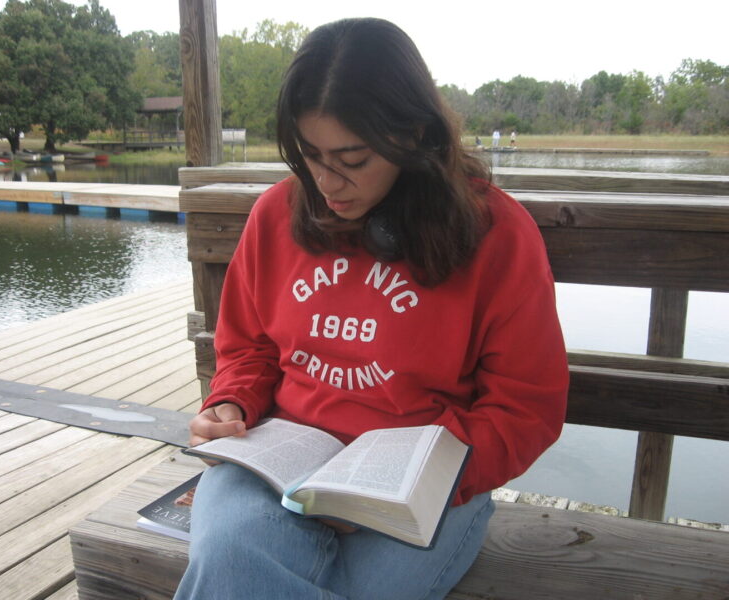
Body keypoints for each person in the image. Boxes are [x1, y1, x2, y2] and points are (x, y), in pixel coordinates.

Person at [174, 17, 568, 600]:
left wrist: (414, 485)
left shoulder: (497, 235)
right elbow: (249, 349)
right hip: (279, 464)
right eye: (310, 154)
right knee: (229, 559)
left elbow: (524, 408)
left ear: (412, 134)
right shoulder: (277, 215)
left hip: (429, 485)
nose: (327, 183)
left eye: (353, 159)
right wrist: (230, 401)